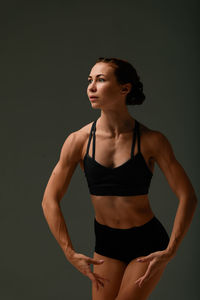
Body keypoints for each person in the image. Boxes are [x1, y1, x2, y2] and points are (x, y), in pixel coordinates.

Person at [41, 57, 197, 300]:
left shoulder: (151, 140)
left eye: (101, 80)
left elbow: (188, 196)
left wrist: (170, 250)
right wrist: (68, 251)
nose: (91, 87)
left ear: (125, 89)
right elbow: (49, 199)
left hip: (147, 242)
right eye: (90, 80)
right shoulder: (78, 141)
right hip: (107, 244)